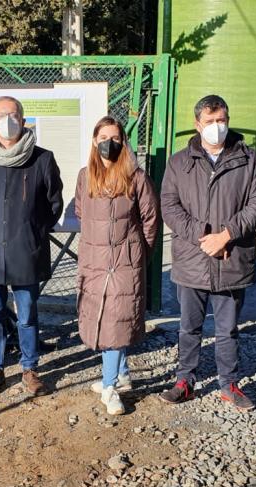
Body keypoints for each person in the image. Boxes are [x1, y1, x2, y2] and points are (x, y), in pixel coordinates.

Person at [159, 95, 256, 410]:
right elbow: (169, 204)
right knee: (188, 326)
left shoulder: (248, 159)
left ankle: (229, 383)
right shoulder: (180, 162)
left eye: (221, 120)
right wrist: (202, 234)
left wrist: (227, 234)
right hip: (192, 259)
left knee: (228, 329)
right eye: (209, 122)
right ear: (197, 125)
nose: (216, 127)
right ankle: (184, 380)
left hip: (231, 259)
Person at [0, 95, 63, 397]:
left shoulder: (42, 158)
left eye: (14, 114)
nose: (8, 120)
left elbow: (54, 203)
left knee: (27, 314)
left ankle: (29, 368)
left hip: (26, 252)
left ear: (23, 119)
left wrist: (32, 230)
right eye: (1, 115)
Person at [75, 116, 160, 415]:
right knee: (106, 323)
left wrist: (138, 254)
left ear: (123, 142)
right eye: (103, 137)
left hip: (125, 263)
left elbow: (151, 219)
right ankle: (121, 374)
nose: (108, 143)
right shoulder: (85, 176)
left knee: (114, 325)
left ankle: (110, 387)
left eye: (115, 137)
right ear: (94, 141)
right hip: (94, 263)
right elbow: (80, 212)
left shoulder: (136, 177)